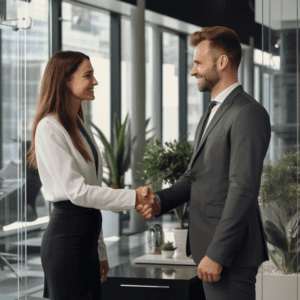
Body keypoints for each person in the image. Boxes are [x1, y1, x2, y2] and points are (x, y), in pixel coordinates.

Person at [136, 26, 271, 300]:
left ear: (222, 62)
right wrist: (159, 201)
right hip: (210, 249)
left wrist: (217, 253)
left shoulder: (247, 113)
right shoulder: (213, 112)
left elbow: (243, 189)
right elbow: (193, 177)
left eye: (198, 62)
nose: (193, 70)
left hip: (229, 255)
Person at [26, 50, 159, 300]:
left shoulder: (79, 126)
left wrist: (100, 251)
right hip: (66, 243)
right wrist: (134, 198)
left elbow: (92, 199)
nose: (95, 82)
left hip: (85, 242)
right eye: (88, 75)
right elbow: (79, 193)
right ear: (64, 80)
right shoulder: (49, 128)